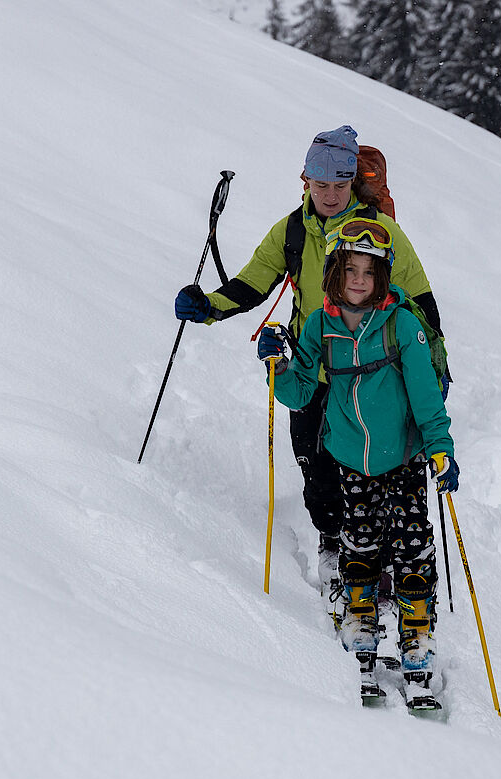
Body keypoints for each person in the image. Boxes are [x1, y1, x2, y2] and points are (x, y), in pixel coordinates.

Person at [172, 125, 447, 597]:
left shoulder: (380, 233)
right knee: (317, 470)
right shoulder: (293, 231)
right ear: (306, 182)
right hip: (310, 367)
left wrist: (435, 362)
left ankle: (373, 556)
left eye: (340, 185)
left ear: (351, 183)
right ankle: (331, 543)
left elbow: (420, 297)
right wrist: (209, 307)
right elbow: (253, 282)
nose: (330, 195)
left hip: (373, 374)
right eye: (321, 185)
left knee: (371, 467)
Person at [256, 220, 458, 700]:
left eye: (370, 272)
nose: (360, 281)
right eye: (351, 271)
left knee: (412, 546)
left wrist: (441, 450)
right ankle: (360, 624)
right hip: (350, 456)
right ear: (333, 273)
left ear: (383, 277)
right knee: (359, 544)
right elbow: (300, 390)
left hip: (404, 457)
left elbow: (427, 397)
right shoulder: (320, 326)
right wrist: (279, 367)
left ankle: (418, 636)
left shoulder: (401, 324)